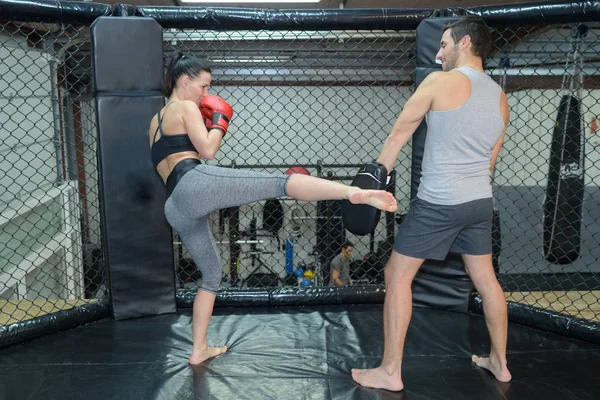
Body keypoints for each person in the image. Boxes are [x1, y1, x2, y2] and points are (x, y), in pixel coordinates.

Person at [148, 51, 398, 366]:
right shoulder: (184, 106)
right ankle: (355, 193)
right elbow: (208, 150)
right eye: (204, 86)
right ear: (185, 81)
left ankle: (199, 350)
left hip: (176, 204)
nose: (207, 94)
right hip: (193, 184)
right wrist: (219, 120)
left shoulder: (154, 122)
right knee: (280, 183)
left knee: (211, 276)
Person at [351, 15, 512, 391]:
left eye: (444, 45)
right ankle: (500, 363)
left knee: (396, 274)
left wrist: (374, 186)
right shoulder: (500, 97)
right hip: (479, 202)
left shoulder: (438, 81)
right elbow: (489, 161)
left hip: (440, 201)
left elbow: (398, 134)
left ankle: (390, 372)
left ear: (466, 42)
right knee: (486, 280)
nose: (438, 54)